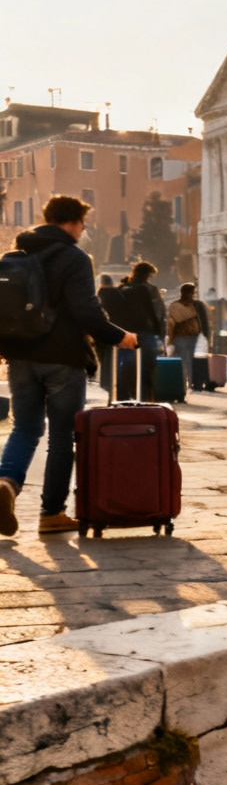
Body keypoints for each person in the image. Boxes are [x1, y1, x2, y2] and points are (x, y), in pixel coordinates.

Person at [0, 196, 136, 536]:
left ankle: (7, 482)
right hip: (63, 358)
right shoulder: (74, 257)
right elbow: (86, 311)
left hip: (19, 356)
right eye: (83, 224)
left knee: (25, 428)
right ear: (73, 223)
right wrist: (120, 337)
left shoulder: (15, 255)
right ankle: (51, 514)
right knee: (62, 438)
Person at [116, 262, 166, 401]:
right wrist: (161, 332)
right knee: (147, 366)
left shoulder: (123, 288)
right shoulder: (150, 290)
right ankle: (145, 397)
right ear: (148, 275)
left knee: (126, 365)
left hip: (126, 333)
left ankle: (123, 396)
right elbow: (158, 313)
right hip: (146, 332)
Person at [165, 283, 211, 393]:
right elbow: (204, 322)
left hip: (178, 335)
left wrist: (169, 337)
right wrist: (207, 337)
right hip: (192, 335)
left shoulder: (174, 305)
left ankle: (180, 383)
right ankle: (189, 383)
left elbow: (170, 323)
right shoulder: (198, 305)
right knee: (190, 360)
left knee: (179, 360)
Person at [96, 274, 122, 394]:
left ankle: (105, 385)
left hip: (102, 331)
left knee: (104, 359)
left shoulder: (100, 294)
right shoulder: (119, 293)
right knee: (113, 360)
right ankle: (112, 385)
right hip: (117, 330)